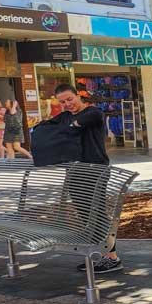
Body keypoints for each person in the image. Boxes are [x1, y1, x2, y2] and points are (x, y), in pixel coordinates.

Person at [37, 84, 121, 273]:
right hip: (75, 171)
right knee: (85, 216)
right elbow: (46, 129)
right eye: (62, 102)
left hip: (95, 170)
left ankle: (113, 258)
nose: (68, 104)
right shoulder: (65, 117)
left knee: (97, 214)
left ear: (78, 95)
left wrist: (67, 128)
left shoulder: (94, 113)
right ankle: (97, 255)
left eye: (70, 99)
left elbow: (80, 123)